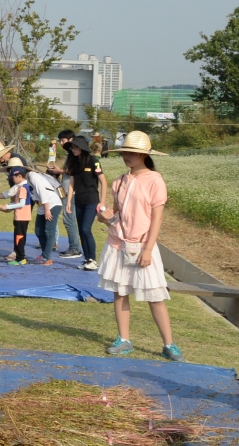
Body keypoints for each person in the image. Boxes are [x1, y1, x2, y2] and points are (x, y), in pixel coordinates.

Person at [95, 131, 179, 360]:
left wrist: (148, 249)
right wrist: (104, 217)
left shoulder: (155, 180)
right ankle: (124, 339)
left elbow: (157, 218)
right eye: (124, 152)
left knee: (154, 295)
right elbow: (116, 215)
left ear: (144, 155)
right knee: (120, 293)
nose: (126, 156)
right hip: (117, 244)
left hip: (142, 245)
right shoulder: (119, 181)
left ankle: (169, 344)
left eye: (131, 152)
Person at [64, 135, 107, 269]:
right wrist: (69, 201)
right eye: (72, 148)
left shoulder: (93, 161)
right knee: (81, 231)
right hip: (79, 200)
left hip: (91, 200)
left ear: (82, 148)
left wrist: (102, 202)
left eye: (75, 147)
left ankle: (93, 259)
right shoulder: (74, 163)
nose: (73, 150)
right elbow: (72, 183)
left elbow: (104, 182)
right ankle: (87, 259)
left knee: (85, 229)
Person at [45, 129, 81, 256]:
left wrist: (59, 171)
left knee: (69, 220)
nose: (61, 143)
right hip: (65, 190)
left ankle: (75, 248)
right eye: (60, 140)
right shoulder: (69, 153)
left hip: (70, 192)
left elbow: (75, 171)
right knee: (68, 220)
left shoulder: (75, 153)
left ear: (71, 139)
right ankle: (72, 247)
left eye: (63, 140)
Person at [22, 163, 64, 265]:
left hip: (51, 204)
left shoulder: (32, 176)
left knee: (49, 230)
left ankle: (46, 257)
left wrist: (47, 210)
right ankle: (45, 255)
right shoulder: (26, 180)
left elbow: (42, 191)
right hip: (42, 205)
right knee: (39, 230)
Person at [2, 165, 31, 265]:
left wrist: (7, 207)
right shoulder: (23, 187)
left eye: (13, 177)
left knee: (19, 238)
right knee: (19, 237)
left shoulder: (22, 188)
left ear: (19, 176)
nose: (12, 180)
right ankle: (19, 257)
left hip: (22, 217)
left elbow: (22, 204)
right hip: (22, 216)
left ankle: (20, 258)